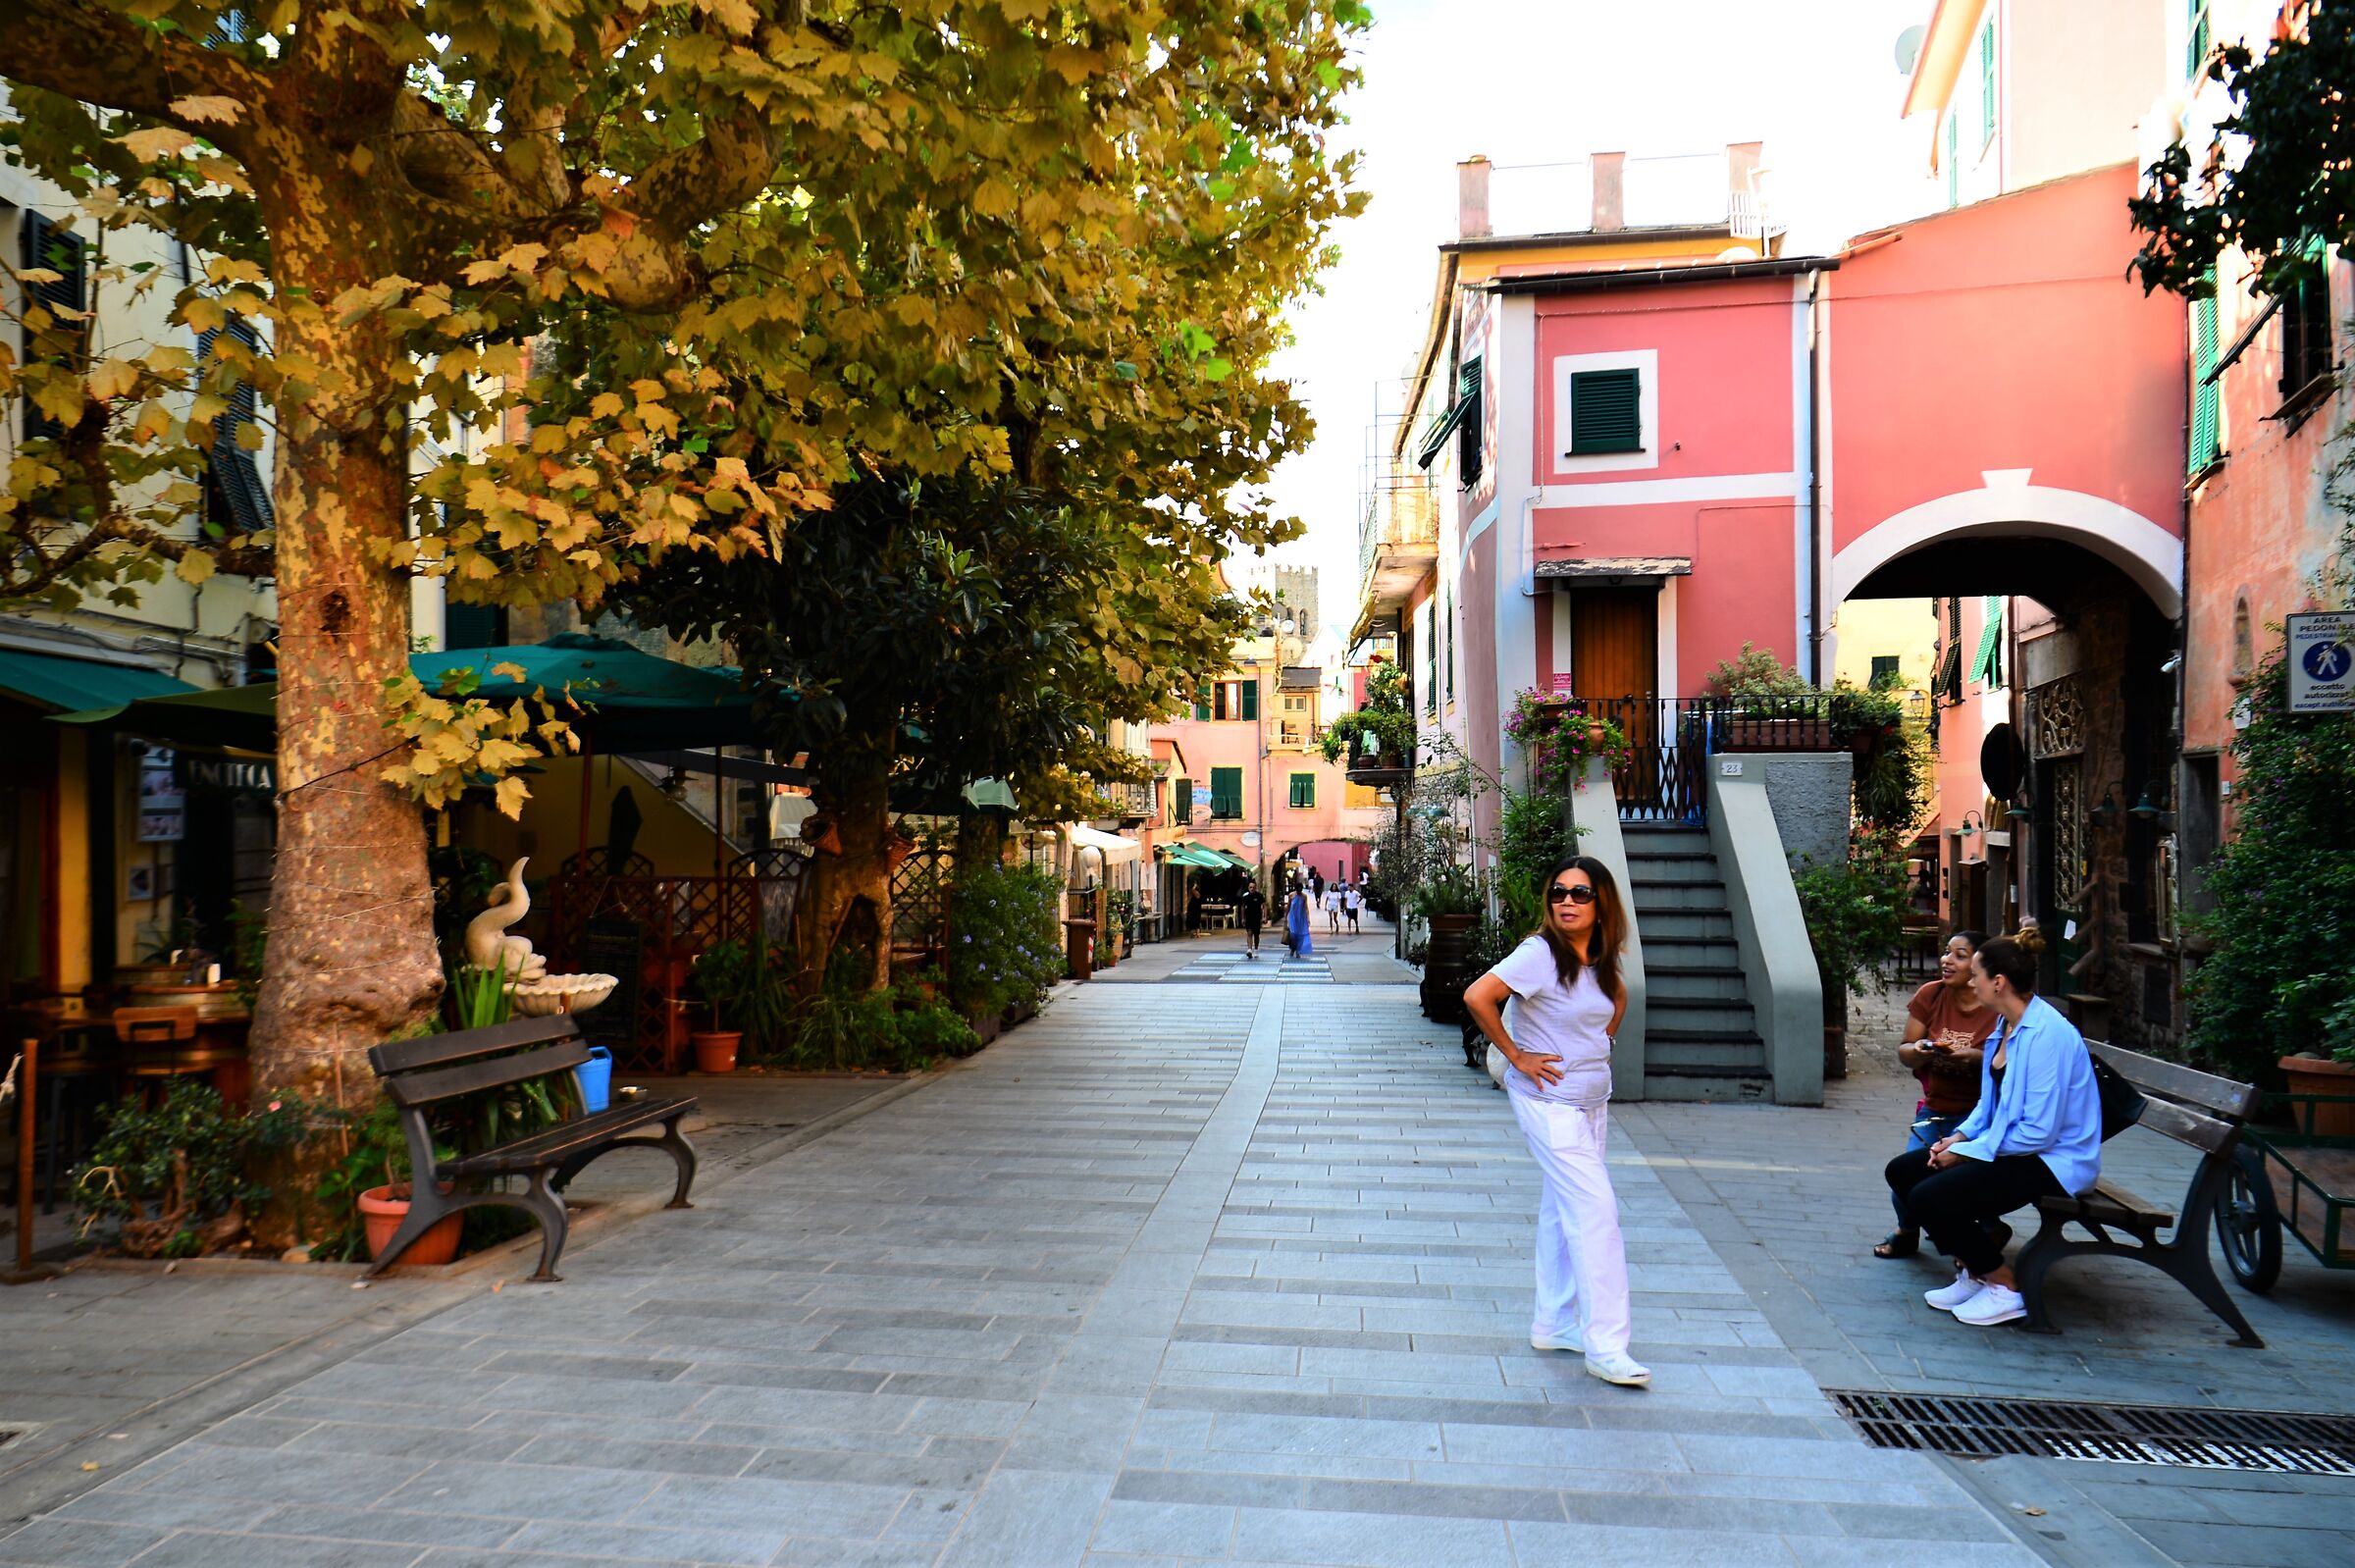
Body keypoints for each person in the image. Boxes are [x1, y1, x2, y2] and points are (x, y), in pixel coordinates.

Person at [1461, 855, 1649, 1387]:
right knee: (1597, 1213)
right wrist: (1518, 1054)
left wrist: (1598, 1045)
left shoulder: (1600, 958)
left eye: (1580, 893)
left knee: (1561, 1208)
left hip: (1591, 1099)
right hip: (1549, 1101)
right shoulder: (1540, 953)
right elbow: (1479, 996)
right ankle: (1607, 1346)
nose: (1567, 901)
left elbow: (1615, 1002)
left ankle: (1552, 1321)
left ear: (1601, 903)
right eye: (1559, 892)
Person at [1884, 926, 2102, 1328]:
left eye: (1977, 974)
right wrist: (1959, 1137)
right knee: (1903, 1171)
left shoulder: (2047, 1034)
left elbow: (2040, 1132)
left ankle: (2005, 1286)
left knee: (1933, 1196)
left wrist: (1966, 1153)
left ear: (1997, 982)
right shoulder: (2005, 1025)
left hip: (2054, 1162)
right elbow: (1989, 1105)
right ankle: (1975, 1270)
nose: (1972, 982)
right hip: (2014, 1148)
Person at [1874, 930, 1997, 1260]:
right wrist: (1919, 1050)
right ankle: (1906, 1231)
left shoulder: (1995, 1006)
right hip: (1936, 1108)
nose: (1946, 960)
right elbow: (1905, 1051)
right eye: (1946, 952)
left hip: (1981, 1115)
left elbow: (2008, 1063)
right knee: (1908, 1173)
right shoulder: (1931, 994)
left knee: (1969, 1181)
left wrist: (1975, 1059)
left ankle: (1980, 1231)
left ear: (1980, 965)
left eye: (1959, 955)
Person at [1284, 881, 1314, 959]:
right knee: (1293, 935)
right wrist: (1286, 917)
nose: (1299, 892)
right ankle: (1292, 949)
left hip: (1301, 918)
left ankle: (1298, 950)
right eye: (1298, 891)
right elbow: (1288, 906)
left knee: (1300, 935)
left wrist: (1308, 918)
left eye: (1300, 891)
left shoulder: (1304, 896)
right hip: (1293, 917)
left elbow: (1306, 908)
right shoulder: (1291, 895)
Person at [1237, 881, 1266, 958]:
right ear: (1248, 888)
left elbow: (1264, 906)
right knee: (1249, 932)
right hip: (1249, 917)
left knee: (1256, 934)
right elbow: (1243, 907)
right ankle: (1249, 949)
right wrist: (1243, 918)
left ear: (1255, 888)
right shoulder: (1246, 897)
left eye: (1253, 887)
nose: (1252, 889)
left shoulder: (1259, 896)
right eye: (1250, 887)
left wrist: (1264, 917)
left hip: (1257, 917)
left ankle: (1256, 949)